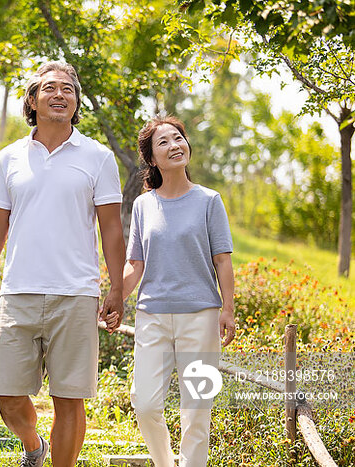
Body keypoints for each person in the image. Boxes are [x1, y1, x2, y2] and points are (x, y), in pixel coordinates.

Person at [0, 61, 125, 467]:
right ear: (32, 100)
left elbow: (112, 228)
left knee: (69, 397)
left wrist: (116, 288)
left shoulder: (98, 157)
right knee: (9, 398)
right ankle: (34, 447)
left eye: (68, 88)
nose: (61, 94)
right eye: (50, 88)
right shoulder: (9, 157)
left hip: (76, 295)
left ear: (77, 101)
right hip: (18, 292)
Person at [122, 116, 236, 467]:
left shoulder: (209, 200)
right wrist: (112, 297)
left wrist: (228, 309)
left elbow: (222, 261)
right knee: (144, 403)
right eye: (164, 142)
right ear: (152, 159)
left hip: (200, 316)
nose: (174, 145)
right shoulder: (144, 205)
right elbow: (135, 265)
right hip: (152, 316)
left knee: (197, 409)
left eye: (178, 138)